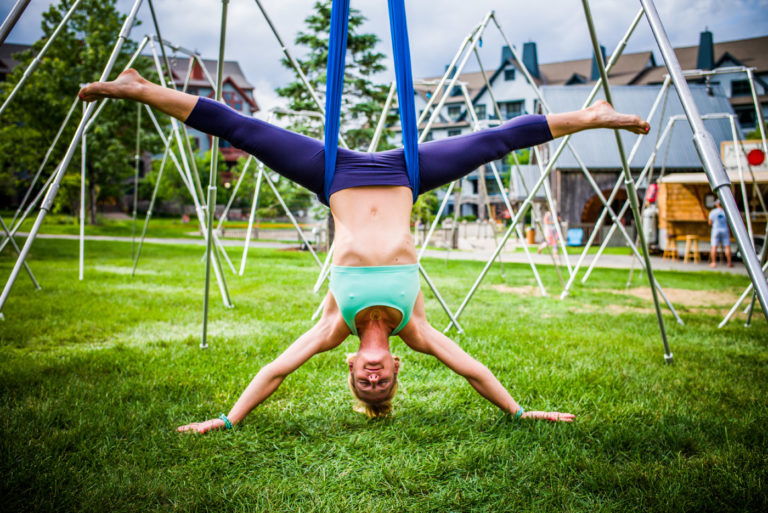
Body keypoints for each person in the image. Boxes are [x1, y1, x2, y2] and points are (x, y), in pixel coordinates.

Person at [79, 69, 650, 432]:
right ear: (396, 367)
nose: (374, 376)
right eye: (382, 383)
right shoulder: (416, 330)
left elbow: (276, 371)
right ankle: (590, 117)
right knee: (496, 141)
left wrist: (227, 420)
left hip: (336, 177)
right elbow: (474, 371)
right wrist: (522, 412)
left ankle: (140, 89)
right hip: (407, 173)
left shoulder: (334, 326)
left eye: (364, 381)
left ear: (351, 366)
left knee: (243, 131)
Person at [708, 198, 732, 268]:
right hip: (725, 229)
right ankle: (729, 263)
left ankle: (714, 262)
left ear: (717, 204)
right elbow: (729, 223)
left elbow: (710, 223)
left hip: (715, 230)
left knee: (714, 247)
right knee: (727, 247)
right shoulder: (726, 212)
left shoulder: (713, 212)